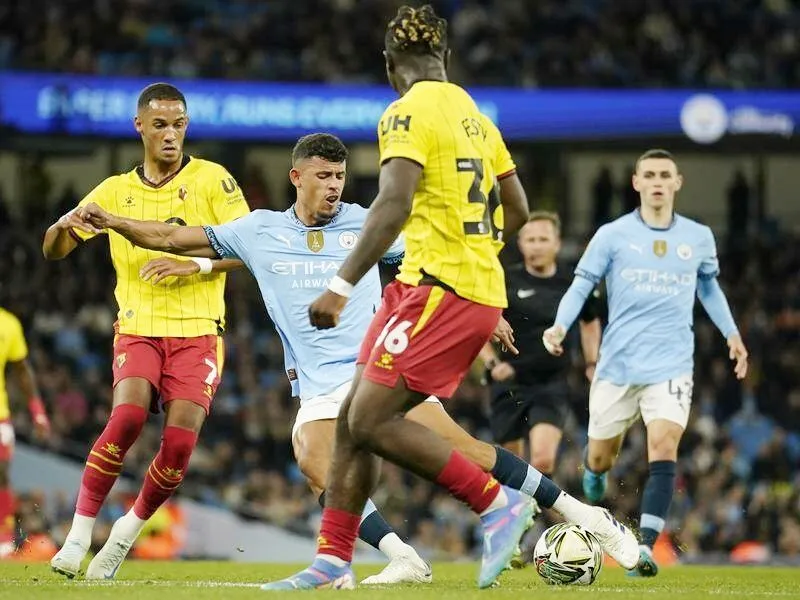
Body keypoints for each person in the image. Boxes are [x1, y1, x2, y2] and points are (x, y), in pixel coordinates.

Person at [76, 129, 633, 586]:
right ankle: (404, 558)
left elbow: (436, 257)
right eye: (323, 177)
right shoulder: (259, 231)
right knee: (316, 461)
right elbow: (172, 237)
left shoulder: (367, 226)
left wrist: (486, 313)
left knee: (462, 449)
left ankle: (584, 515)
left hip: (380, 370)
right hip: (317, 384)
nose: (333, 188)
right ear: (296, 177)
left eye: (340, 177)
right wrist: (115, 222)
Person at [266, 5, 637, 590]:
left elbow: (391, 202)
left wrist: (340, 285)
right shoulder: (473, 114)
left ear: (392, 65)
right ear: (446, 58)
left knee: (367, 421)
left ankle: (496, 504)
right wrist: (476, 255)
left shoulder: (404, 112)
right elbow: (515, 208)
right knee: (350, 423)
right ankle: (332, 559)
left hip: (436, 291)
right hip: (447, 287)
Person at [43, 82, 249, 579]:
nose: (171, 134)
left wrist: (195, 268)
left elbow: (248, 248)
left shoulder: (213, 181)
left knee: (178, 447)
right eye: (160, 124)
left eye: (179, 124)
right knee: (127, 419)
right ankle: (75, 539)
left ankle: (123, 535)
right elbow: (55, 250)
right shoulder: (114, 191)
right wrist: (64, 225)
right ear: (140, 127)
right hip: (138, 328)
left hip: (199, 331)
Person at [543, 148, 749, 577]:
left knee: (664, 445)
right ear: (636, 183)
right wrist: (560, 327)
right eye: (649, 175)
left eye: (664, 175)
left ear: (677, 183)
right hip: (617, 367)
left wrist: (732, 335)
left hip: (671, 364)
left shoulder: (697, 237)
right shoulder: (612, 235)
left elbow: (709, 289)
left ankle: (646, 548)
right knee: (599, 461)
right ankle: (596, 477)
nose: (657, 182)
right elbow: (582, 286)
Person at [481, 212, 601, 471]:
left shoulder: (574, 283)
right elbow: (479, 323)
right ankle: (524, 509)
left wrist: (592, 361)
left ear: (557, 243)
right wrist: (491, 364)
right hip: (509, 381)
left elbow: (589, 321)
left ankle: (536, 508)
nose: (537, 245)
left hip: (551, 382)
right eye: (530, 239)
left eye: (543, 239)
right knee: (510, 468)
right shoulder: (502, 280)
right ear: (521, 243)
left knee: (543, 460)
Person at [0, 307, 51, 557]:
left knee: (1, 472)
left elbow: (21, 370)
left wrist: (37, 411)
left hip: (0, 413)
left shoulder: (8, 324)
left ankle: (3, 536)